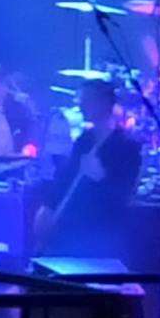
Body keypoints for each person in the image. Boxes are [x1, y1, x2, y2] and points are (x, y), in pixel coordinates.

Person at [35, 79, 142, 258]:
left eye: (87, 100)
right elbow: (65, 180)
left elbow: (123, 196)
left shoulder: (126, 147)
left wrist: (101, 178)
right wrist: (48, 208)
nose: (81, 105)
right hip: (71, 229)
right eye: (81, 99)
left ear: (104, 103)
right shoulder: (84, 140)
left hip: (101, 233)